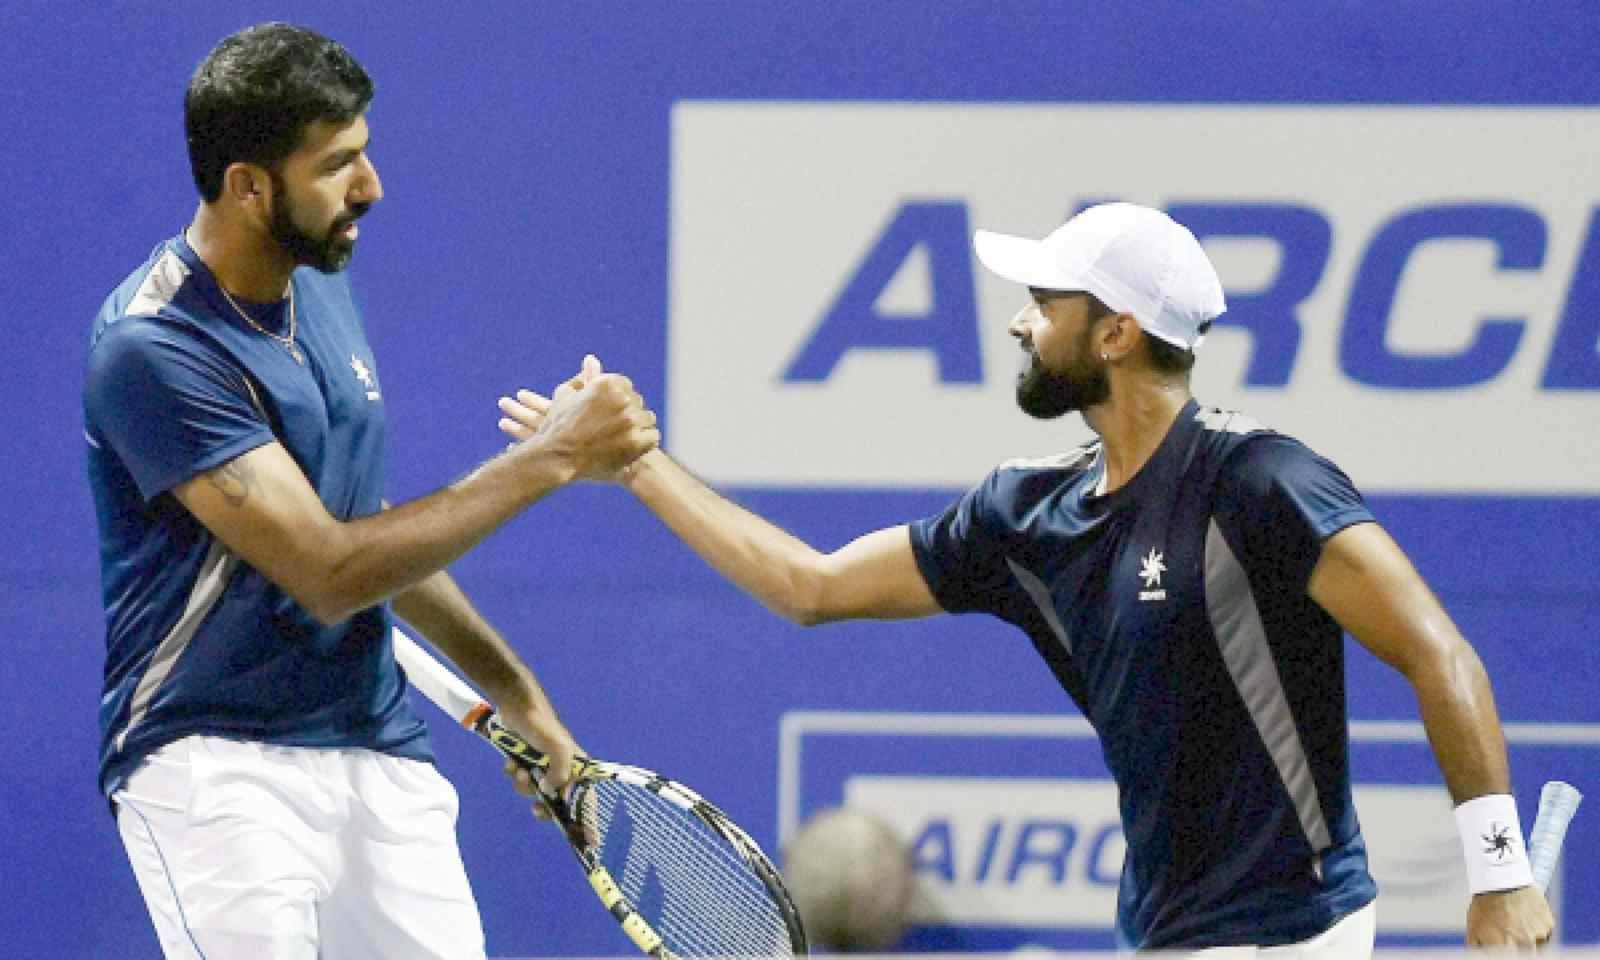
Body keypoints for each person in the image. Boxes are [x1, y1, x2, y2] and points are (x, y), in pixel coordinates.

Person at [498, 203, 1555, 954]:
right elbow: (808, 586)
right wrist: (634, 465)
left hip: (1293, 930)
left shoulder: (1262, 482)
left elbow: (1435, 652)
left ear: (1115, 332)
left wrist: (1499, 875)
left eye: (1041, 303)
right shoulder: (1023, 514)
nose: (1016, 320)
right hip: (1162, 929)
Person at [82, 23, 657, 959]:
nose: (371, 187)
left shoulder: (318, 283)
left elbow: (371, 534)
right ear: (248, 185)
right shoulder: (154, 349)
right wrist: (550, 458)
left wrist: (517, 694)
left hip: (374, 745)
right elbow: (329, 570)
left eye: (366, 151)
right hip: (217, 767)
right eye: (338, 164)